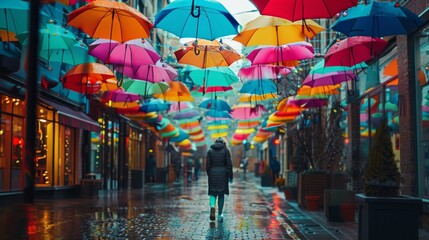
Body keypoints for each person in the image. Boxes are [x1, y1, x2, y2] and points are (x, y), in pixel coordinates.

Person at [206, 137, 233, 222]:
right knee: (221, 194)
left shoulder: (210, 151)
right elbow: (229, 165)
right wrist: (230, 176)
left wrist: (209, 174)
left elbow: (207, 165)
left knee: (212, 193)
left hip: (212, 173)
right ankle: (220, 214)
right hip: (223, 174)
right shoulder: (226, 151)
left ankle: (213, 207)